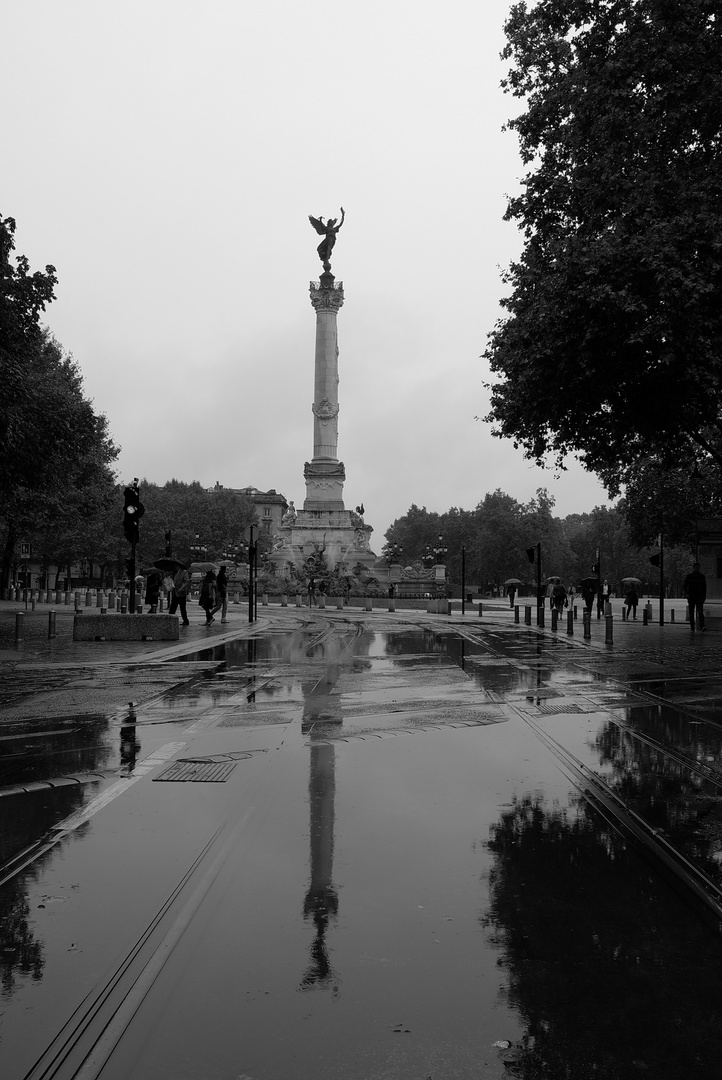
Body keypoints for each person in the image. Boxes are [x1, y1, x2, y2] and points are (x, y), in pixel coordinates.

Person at [683, 562, 707, 632]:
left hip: (698, 597)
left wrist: (703, 597)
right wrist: (687, 594)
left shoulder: (701, 577)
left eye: (698, 568)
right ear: (694, 568)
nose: (697, 569)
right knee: (692, 612)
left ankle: (701, 626)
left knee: (700, 612)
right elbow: (684, 586)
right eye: (696, 568)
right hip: (692, 596)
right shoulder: (690, 577)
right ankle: (693, 626)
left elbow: (704, 588)